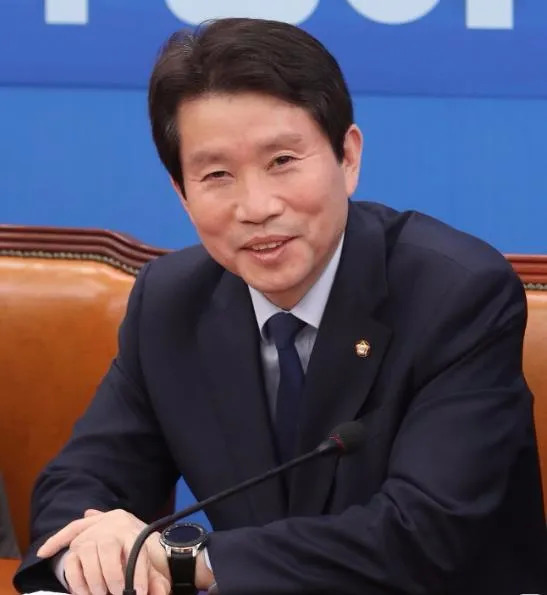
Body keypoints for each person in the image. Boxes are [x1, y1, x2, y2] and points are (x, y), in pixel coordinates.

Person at [13, 17, 547, 595]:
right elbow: (80, 484)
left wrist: (189, 560)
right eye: (217, 174)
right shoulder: (171, 302)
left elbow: (423, 536)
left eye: (282, 162)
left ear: (348, 157)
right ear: (182, 194)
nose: (257, 206)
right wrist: (91, 550)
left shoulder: (456, 294)